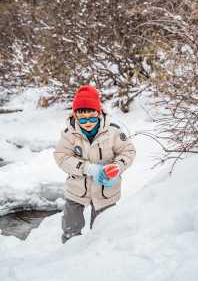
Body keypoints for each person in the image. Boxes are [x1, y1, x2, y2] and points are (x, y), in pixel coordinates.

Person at [53, 84, 136, 243]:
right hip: (77, 189)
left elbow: (128, 152)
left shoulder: (113, 132)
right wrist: (87, 168)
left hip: (106, 189)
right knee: (71, 225)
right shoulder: (69, 134)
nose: (88, 122)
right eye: (83, 119)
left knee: (103, 227)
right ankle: (69, 249)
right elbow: (62, 157)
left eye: (92, 117)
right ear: (75, 116)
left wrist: (117, 166)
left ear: (99, 113)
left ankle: (99, 252)